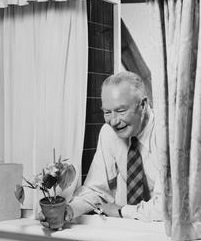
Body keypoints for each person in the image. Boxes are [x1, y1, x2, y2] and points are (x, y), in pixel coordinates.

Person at [66, 71, 163, 222]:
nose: (113, 121)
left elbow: (168, 207)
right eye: (107, 112)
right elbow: (96, 190)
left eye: (121, 111)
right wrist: (69, 210)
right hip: (129, 230)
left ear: (143, 105)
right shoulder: (109, 133)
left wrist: (122, 211)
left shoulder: (168, 136)